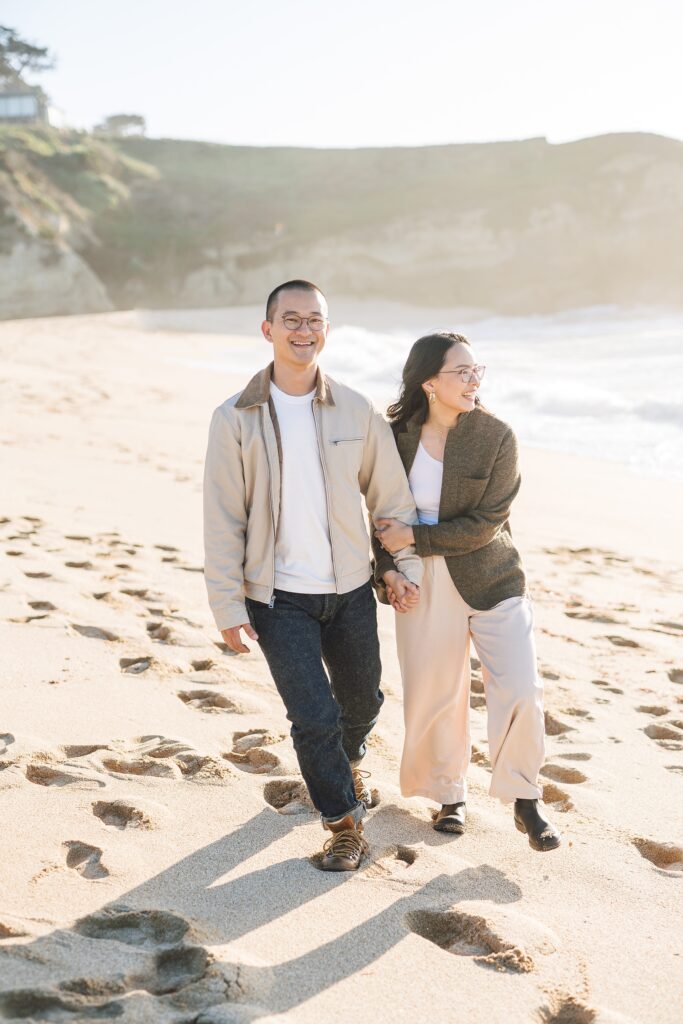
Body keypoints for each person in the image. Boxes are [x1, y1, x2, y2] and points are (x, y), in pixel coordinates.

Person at [203, 280, 422, 871]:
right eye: (291, 319)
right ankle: (343, 822)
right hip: (277, 598)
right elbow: (222, 516)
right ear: (268, 328)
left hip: (350, 589)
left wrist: (400, 568)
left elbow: (391, 498)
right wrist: (227, 605)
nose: (304, 330)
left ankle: (349, 760)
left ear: (327, 328)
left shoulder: (354, 408)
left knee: (363, 700)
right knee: (313, 717)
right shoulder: (235, 417)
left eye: (315, 320)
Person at [373, 331, 561, 852]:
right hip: (419, 578)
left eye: (479, 370)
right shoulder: (394, 438)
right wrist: (388, 572)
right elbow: (374, 517)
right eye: (463, 371)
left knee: (521, 687)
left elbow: (487, 522)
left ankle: (525, 799)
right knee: (435, 692)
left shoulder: (497, 435)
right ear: (430, 381)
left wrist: (417, 536)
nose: (474, 379)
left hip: (494, 575)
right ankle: (448, 795)